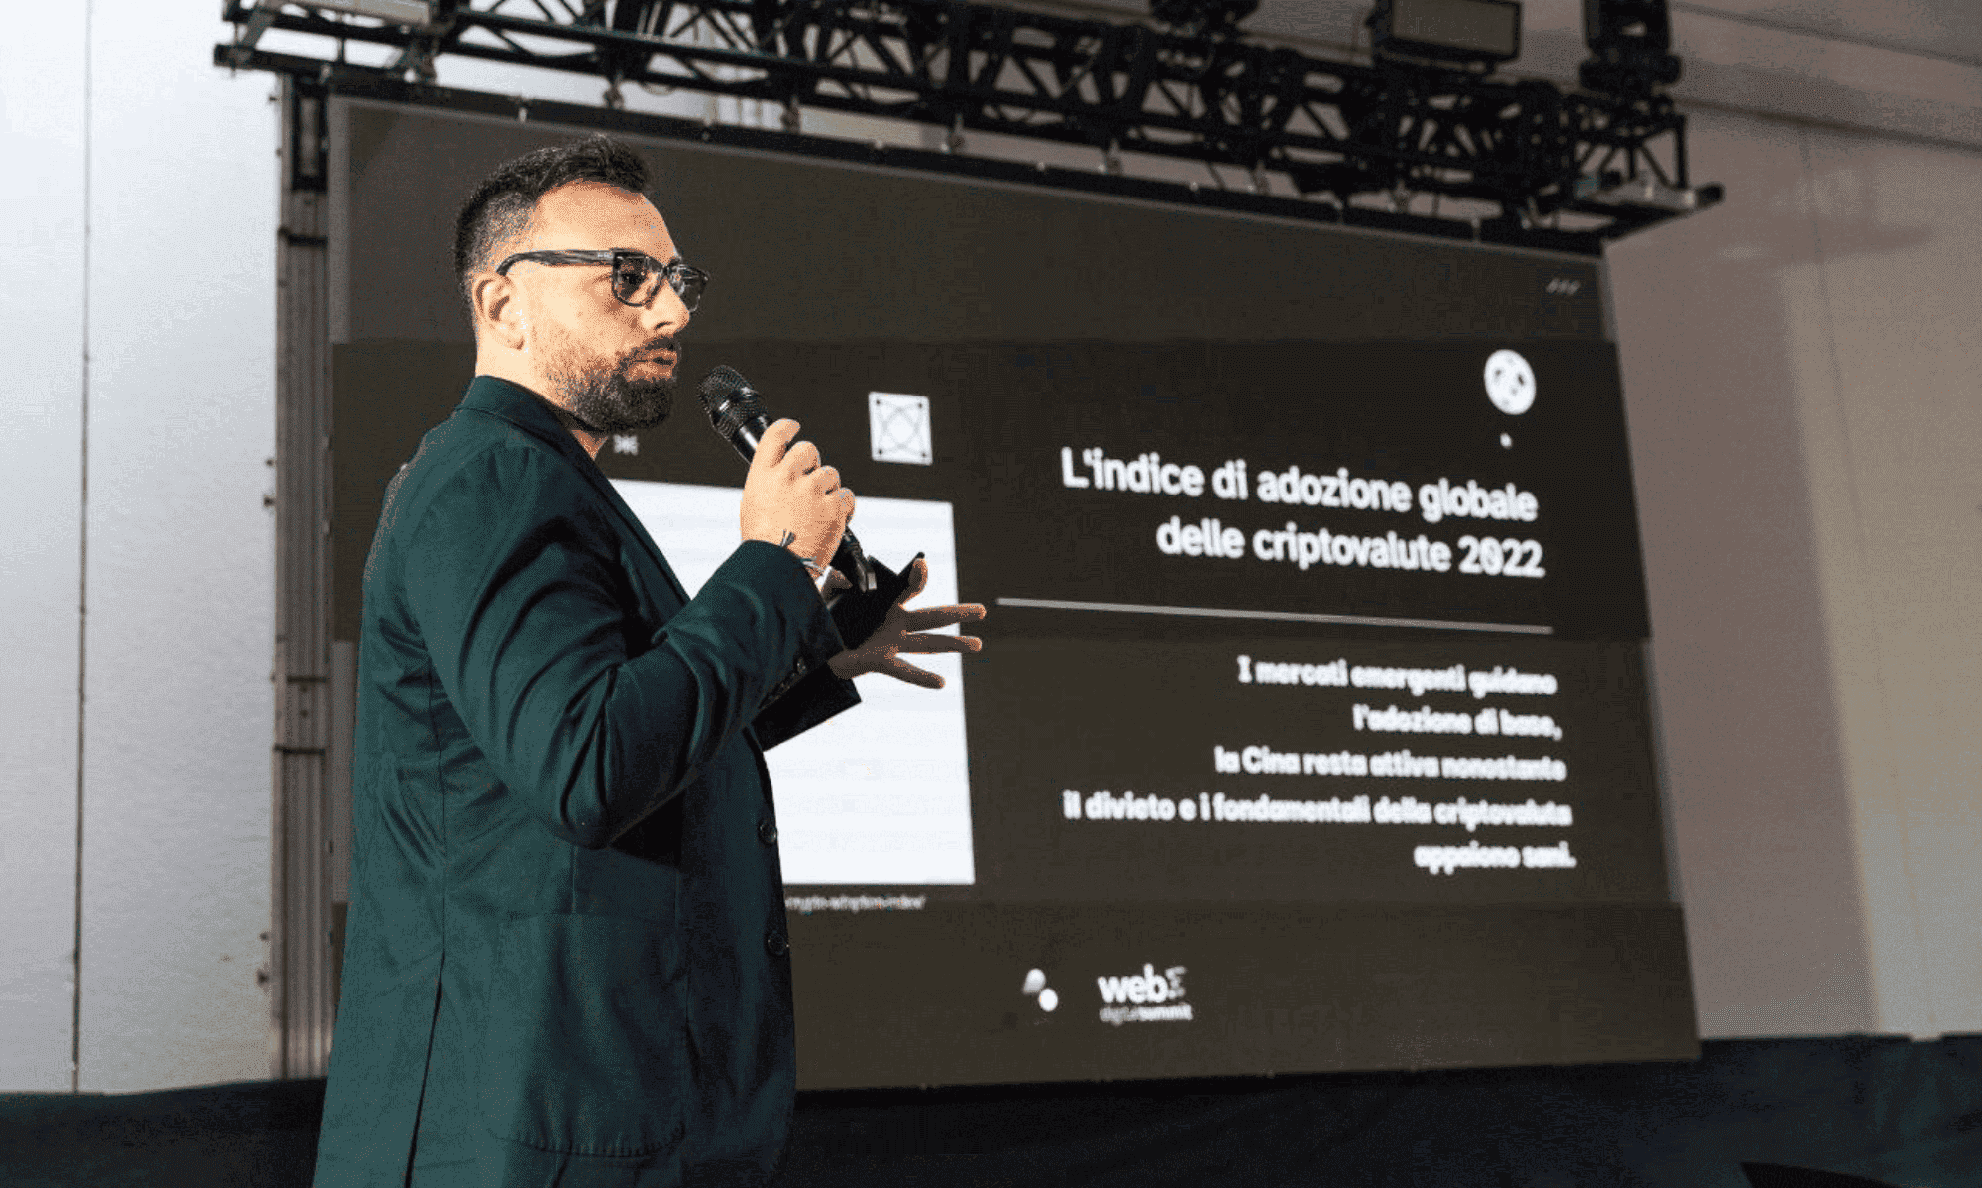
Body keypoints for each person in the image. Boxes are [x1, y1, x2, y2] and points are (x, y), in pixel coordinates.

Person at [311, 134, 985, 1188]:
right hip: (513, 1133)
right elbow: (589, 767)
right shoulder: (491, 481)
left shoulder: (542, 483)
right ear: (502, 303)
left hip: (584, 1115)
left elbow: (620, 733)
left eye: (678, 281)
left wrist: (820, 656)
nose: (670, 312)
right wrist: (774, 562)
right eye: (626, 277)